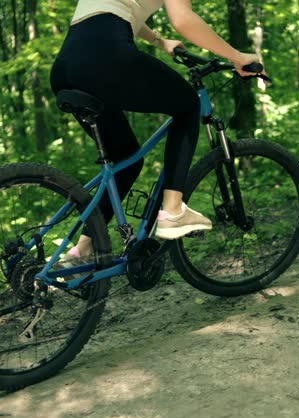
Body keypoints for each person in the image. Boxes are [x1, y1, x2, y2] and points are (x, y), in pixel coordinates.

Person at [49, 0, 264, 258]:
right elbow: (183, 19)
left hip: (66, 66)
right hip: (104, 54)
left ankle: (81, 249)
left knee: (126, 159)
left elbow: (117, 11)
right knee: (187, 106)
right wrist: (238, 57)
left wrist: (159, 41)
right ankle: (173, 209)